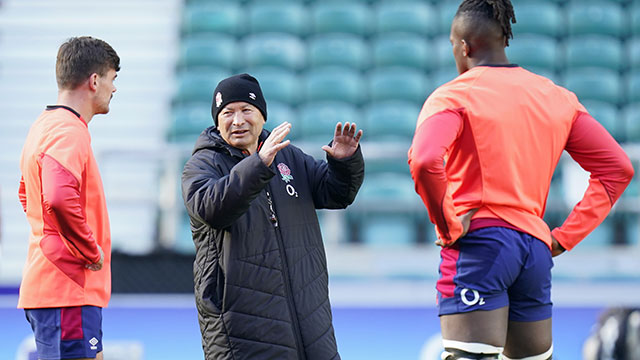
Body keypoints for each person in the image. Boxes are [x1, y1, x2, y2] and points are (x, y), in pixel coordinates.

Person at [408, 1, 634, 359]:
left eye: (453, 45)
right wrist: (563, 238)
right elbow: (618, 169)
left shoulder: (454, 95)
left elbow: (423, 160)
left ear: (464, 47)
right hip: (534, 249)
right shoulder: (557, 97)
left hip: (481, 245)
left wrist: (449, 226)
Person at [181, 73, 364, 359]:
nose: (237, 120)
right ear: (217, 121)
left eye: (246, 110)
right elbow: (212, 209)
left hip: (309, 322)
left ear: (262, 116)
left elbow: (335, 193)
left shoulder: (289, 157)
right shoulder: (202, 164)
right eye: (227, 113)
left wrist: (343, 163)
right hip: (242, 329)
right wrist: (258, 164)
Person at [18, 36, 119, 360]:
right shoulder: (68, 131)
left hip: (54, 287)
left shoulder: (44, 124)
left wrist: (51, 238)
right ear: (94, 81)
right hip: (67, 290)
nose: (113, 89)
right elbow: (58, 198)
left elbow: (26, 194)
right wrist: (87, 249)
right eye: (111, 79)